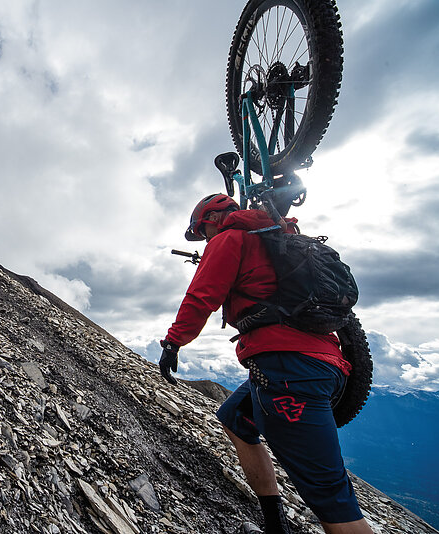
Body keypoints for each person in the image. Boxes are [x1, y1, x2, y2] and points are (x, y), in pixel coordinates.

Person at [159, 193, 372, 534]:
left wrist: (173, 342)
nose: (204, 239)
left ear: (212, 219)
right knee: (234, 419)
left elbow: (201, 296)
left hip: (288, 372)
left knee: (334, 503)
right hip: (324, 362)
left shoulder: (229, 239)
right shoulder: (277, 235)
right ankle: (275, 525)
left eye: (202, 231)